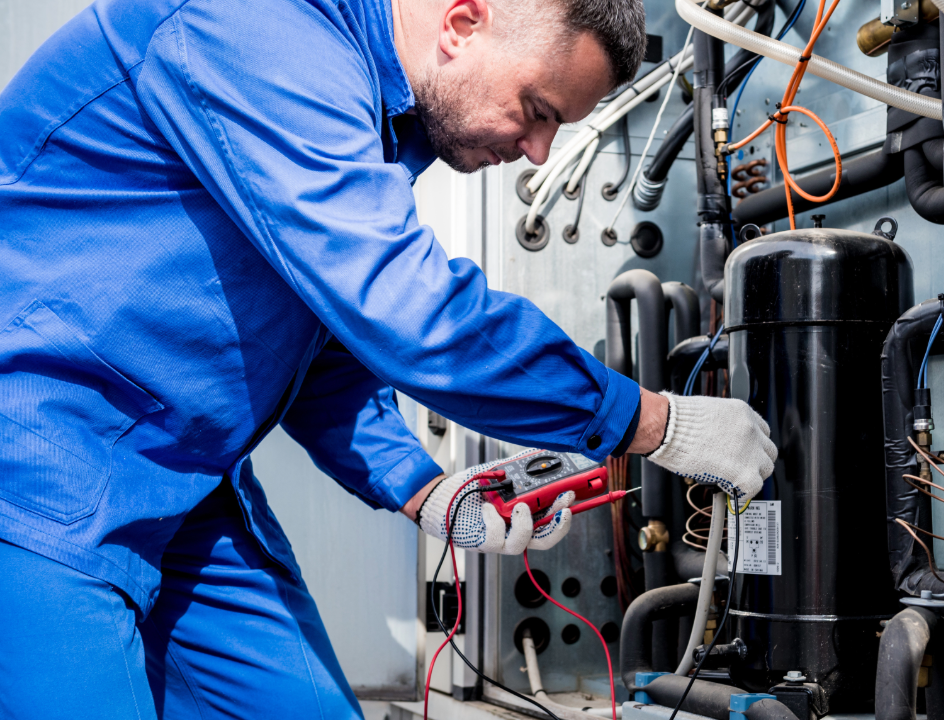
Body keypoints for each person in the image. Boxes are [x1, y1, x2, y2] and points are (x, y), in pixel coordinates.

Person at [0, 0, 777, 717]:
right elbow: (404, 309)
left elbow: (324, 347)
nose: (538, 153)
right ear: (464, 21)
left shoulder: (373, 119)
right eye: (538, 111)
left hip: (181, 482)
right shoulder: (255, 27)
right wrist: (652, 422)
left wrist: (425, 490)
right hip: (35, 461)